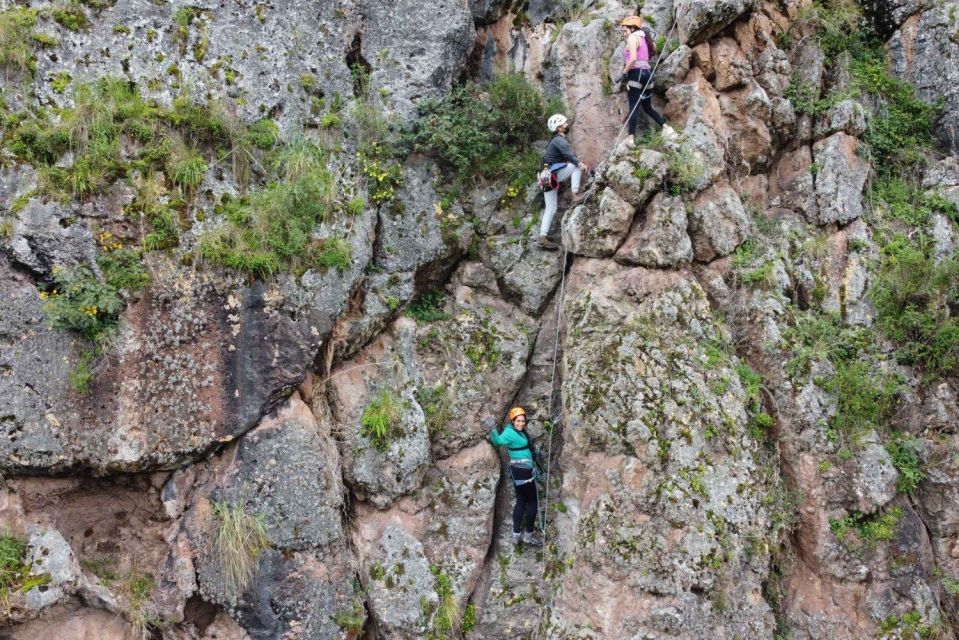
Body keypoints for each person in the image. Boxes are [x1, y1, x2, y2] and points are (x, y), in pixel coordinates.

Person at [488, 406, 543, 547]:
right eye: (518, 421)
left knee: (521, 501)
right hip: (524, 471)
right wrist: (492, 429)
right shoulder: (510, 433)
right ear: (512, 421)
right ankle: (528, 537)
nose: (521, 423)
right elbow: (498, 441)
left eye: (523, 421)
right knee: (532, 503)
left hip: (518, 470)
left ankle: (516, 534)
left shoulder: (516, 431)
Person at [616, 16, 675, 143]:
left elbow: (633, 58)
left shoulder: (632, 38)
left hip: (635, 74)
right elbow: (653, 50)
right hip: (647, 74)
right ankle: (667, 128)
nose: (624, 34)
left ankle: (630, 139)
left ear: (632, 29)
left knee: (634, 107)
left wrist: (624, 73)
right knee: (647, 107)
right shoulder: (645, 38)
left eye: (625, 31)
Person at [537, 113, 587, 251]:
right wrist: (581, 164)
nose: (567, 125)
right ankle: (575, 195)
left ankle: (542, 236)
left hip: (545, 177)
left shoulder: (554, 141)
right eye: (564, 124)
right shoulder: (559, 141)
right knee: (575, 166)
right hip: (551, 175)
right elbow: (570, 156)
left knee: (550, 208)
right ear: (559, 128)